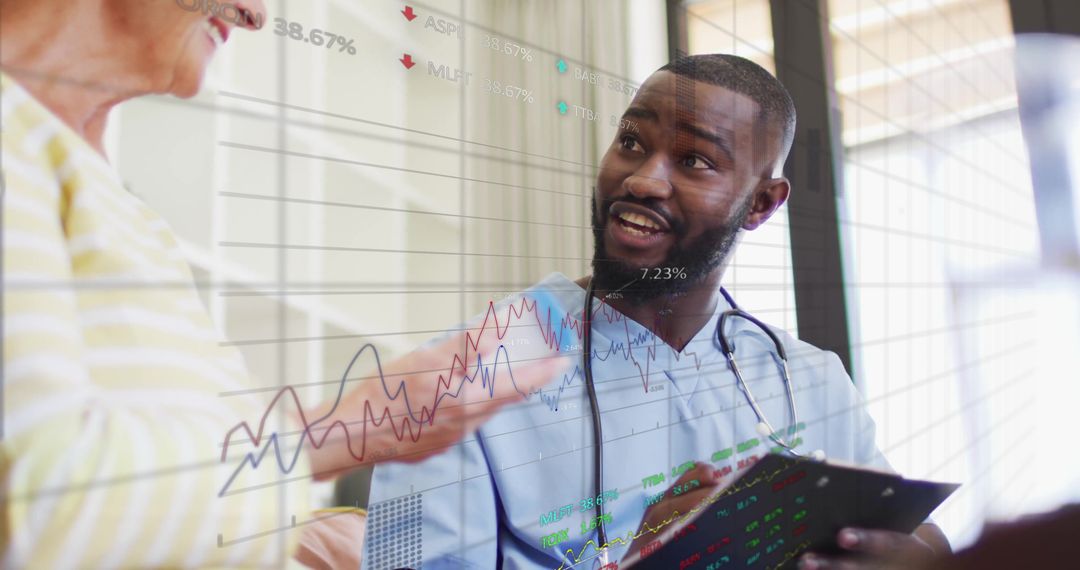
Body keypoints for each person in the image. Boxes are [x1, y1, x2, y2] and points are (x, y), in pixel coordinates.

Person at [0, 0, 564, 566]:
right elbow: (41, 502)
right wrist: (351, 426)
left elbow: (201, 480)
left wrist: (309, 539)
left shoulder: (124, 213)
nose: (257, 14)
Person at [363, 54, 951, 569]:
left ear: (761, 204)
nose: (642, 180)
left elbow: (907, 533)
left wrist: (919, 557)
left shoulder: (813, 379)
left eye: (695, 160)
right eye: (631, 142)